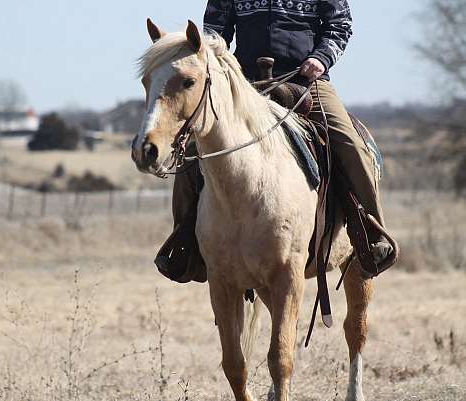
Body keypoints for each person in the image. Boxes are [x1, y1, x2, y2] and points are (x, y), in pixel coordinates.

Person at [156, 0, 394, 282]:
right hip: (244, 84)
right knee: (195, 150)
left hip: (306, 83)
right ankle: (184, 243)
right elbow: (213, 34)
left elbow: (340, 25)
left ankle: (371, 233)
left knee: (350, 143)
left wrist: (320, 58)